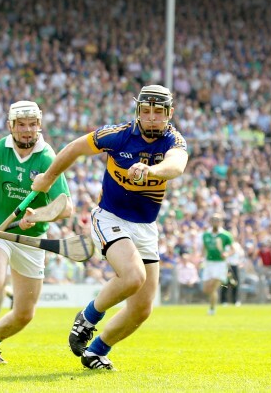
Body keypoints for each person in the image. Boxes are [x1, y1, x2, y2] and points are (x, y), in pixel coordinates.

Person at [31, 85, 188, 370]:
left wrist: (151, 170)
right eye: (146, 111)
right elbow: (75, 148)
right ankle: (88, 318)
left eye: (158, 113)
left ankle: (96, 352)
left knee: (142, 309)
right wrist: (49, 178)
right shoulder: (117, 135)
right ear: (137, 112)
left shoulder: (172, 140)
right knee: (132, 276)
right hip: (110, 217)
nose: (152, 118)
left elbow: (176, 166)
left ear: (169, 114)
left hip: (145, 227)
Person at [0, 100, 72, 363]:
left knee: (24, 314)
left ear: (39, 125)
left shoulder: (48, 159)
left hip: (31, 238)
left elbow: (66, 208)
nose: (27, 130)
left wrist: (37, 215)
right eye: (21, 125)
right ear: (11, 126)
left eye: (32, 124)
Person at [201, 213, 234, 315]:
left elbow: (233, 249)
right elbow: (204, 248)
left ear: (221, 222)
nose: (215, 221)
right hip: (209, 263)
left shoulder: (226, 235)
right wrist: (202, 259)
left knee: (212, 287)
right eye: (213, 219)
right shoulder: (206, 234)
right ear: (211, 222)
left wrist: (226, 253)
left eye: (218, 220)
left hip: (220, 264)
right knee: (206, 289)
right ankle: (212, 307)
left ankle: (212, 309)